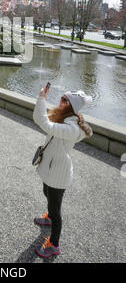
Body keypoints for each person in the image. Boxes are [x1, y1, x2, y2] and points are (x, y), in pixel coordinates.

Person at [32, 87, 93, 258]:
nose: (60, 102)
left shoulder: (72, 128)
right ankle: (50, 216)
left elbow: (45, 124)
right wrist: (40, 98)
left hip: (59, 173)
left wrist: (43, 98)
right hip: (51, 167)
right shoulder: (61, 116)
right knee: (46, 191)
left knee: (55, 209)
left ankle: (54, 244)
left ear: (72, 107)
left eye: (65, 101)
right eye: (61, 98)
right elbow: (39, 118)